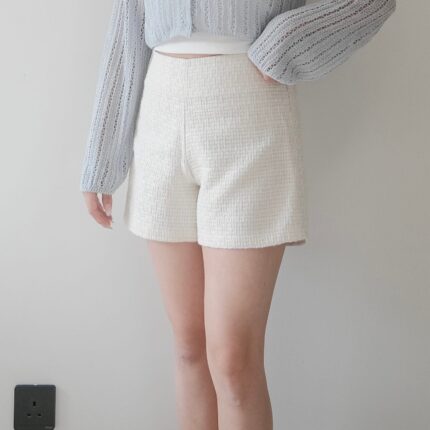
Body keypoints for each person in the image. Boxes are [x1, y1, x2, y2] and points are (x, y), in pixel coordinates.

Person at [80, 1, 396, 429]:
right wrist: (102, 156)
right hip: (159, 116)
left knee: (232, 358)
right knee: (189, 347)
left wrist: (287, 41)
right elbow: (127, 25)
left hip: (249, 112)